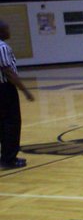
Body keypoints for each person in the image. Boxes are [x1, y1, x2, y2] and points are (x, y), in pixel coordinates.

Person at [0, 21, 34, 170]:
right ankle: (9, 159)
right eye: (7, 29)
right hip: (5, 90)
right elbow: (8, 71)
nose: (9, 32)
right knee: (12, 123)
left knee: (2, 124)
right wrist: (25, 90)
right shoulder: (2, 47)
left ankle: (5, 157)